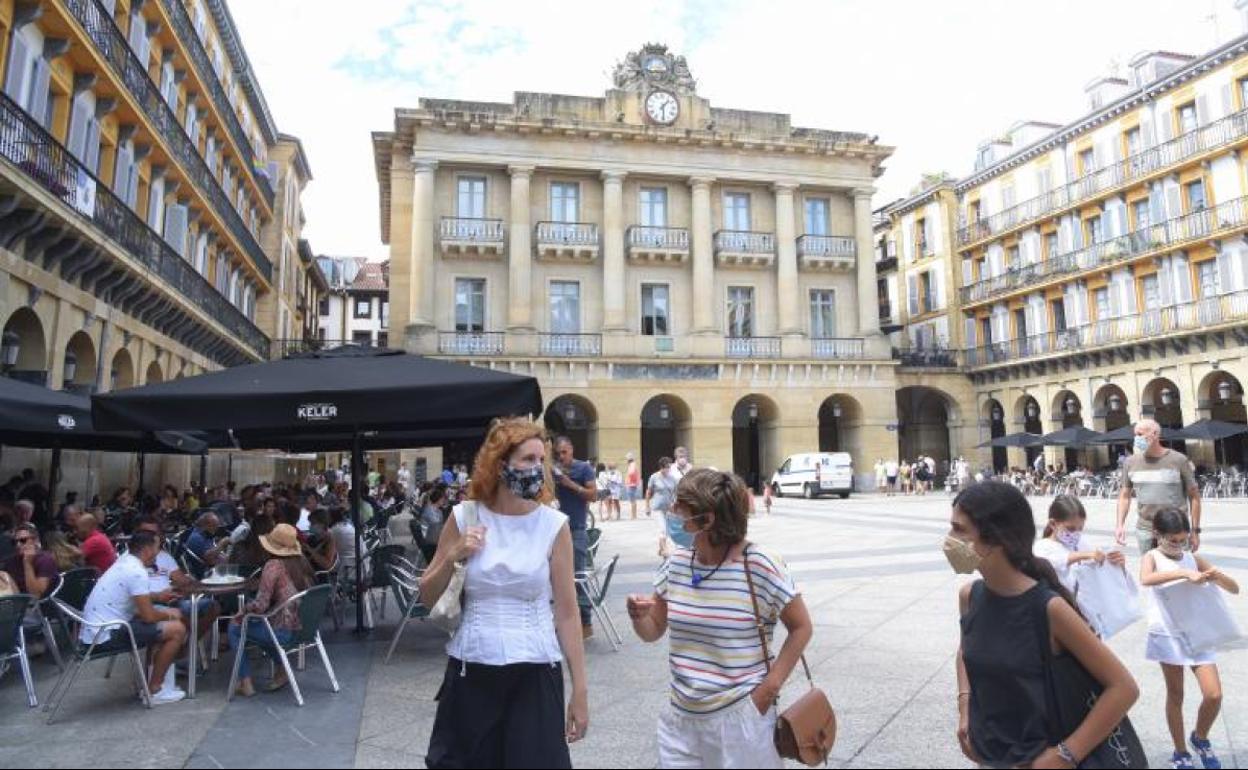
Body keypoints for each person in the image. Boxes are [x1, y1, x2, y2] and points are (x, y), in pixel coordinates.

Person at [418, 417, 588, 767]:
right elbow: (426, 595)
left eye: (542, 461)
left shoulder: (553, 525)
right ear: (499, 463)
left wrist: (580, 691)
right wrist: (453, 555)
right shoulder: (464, 517)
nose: (538, 469)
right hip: (472, 667)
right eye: (528, 459)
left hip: (537, 670)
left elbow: (568, 613)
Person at [627, 469, 813, 768]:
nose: (673, 511)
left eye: (681, 507)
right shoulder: (675, 564)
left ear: (707, 519)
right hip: (681, 718)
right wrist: (639, 617)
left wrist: (768, 690)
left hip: (741, 718)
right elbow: (653, 631)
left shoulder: (759, 564)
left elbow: (802, 627)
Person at [952, 481, 1139, 768]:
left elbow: (1123, 687)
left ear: (994, 538)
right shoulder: (970, 597)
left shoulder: (1048, 609)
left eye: (959, 529)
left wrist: (1066, 754)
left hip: (1041, 756)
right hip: (993, 755)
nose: (950, 539)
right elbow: (966, 651)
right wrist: (965, 706)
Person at [1139, 509, 1239, 770]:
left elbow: (1235, 589)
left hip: (1197, 633)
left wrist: (1217, 576)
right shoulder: (1152, 556)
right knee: (1176, 695)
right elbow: (1146, 578)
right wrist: (1184, 574)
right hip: (1167, 633)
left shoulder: (1193, 558)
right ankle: (1180, 751)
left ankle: (1200, 737)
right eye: (1172, 539)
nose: (1177, 545)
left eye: (1182, 539)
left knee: (1214, 694)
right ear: (1156, 534)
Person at [80, 530, 189, 704]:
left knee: (164, 629)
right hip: (105, 636)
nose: (158, 552)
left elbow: (130, 598)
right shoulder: (136, 571)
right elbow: (148, 616)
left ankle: (152, 685)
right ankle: (155, 690)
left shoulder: (124, 562)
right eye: (157, 547)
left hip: (96, 631)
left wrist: (157, 597)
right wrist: (169, 614)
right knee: (177, 629)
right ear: (146, 550)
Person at [227, 523, 315, 698]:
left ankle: (245, 682)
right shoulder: (302, 562)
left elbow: (260, 606)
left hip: (285, 632)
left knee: (235, 627)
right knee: (258, 625)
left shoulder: (273, 565)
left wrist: (242, 611)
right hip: (306, 629)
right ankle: (282, 667)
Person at [1116, 419, 1202, 555]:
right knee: (1149, 571)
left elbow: (1194, 496)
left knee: (1177, 571)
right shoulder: (1130, 463)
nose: (1136, 439)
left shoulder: (1178, 460)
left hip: (1176, 529)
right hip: (1145, 529)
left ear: (1155, 434)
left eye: (1140, 434)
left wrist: (1195, 531)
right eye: (1135, 435)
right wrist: (1120, 525)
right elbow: (1124, 496)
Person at [552, 435, 597, 639]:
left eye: (564, 452)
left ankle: (586, 622)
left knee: (577, 576)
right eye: (558, 453)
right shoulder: (552, 470)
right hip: (554, 530)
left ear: (571, 450)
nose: (561, 456)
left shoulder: (584, 468)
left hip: (576, 529)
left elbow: (593, 495)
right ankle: (562, 621)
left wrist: (570, 484)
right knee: (555, 578)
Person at [1034, 495, 1125, 594]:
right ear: (1053, 524)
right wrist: (1086, 555)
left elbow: (1098, 571)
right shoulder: (1041, 547)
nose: (1075, 534)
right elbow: (1059, 561)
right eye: (1070, 528)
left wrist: (1115, 562)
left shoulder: (1081, 543)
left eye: (1080, 529)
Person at [2, 524, 57, 599]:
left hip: (41, 605)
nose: (18, 545)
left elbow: (36, 595)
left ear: (35, 541)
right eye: (14, 542)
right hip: (17, 602)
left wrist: (27, 563)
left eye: (23, 540)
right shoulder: (12, 561)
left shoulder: (45, 560)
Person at [647, 457, 680, 557]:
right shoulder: (654, 477)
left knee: (668, 529)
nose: (668, 469)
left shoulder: (672, 478)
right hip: (657, 508)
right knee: (663, 529)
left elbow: (676, 492)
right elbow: (648, 492)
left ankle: (661, 549)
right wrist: (647, 506)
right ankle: (665, 550)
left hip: (669, 508)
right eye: (666, 467)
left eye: (669, 467)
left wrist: (676, 505)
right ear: (661, 467)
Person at [184, 513, 225, 578]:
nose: (216, 528)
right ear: (205, 525)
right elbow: (210, 560)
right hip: (204, 573)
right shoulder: (196, 538)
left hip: (212, 568)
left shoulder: (206, 535)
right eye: (214, 525)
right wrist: (222, 543)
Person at [624, 452, 642, 519]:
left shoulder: (632, 465)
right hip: (632, 484)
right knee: (632, 500)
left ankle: (633, 515)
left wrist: (630, 480)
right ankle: (634, 515)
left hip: (631, 484)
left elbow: (631, 473)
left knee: (632, 500)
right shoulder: (633, 464)